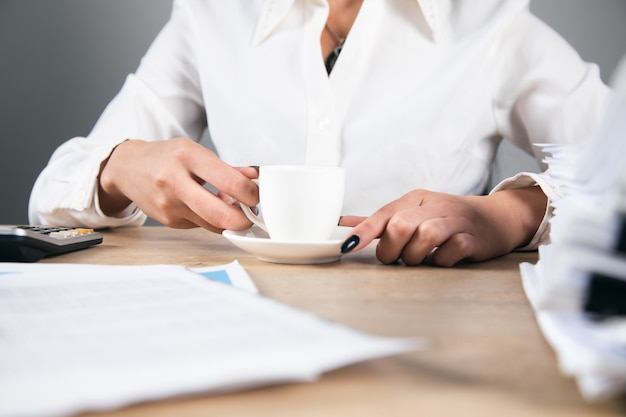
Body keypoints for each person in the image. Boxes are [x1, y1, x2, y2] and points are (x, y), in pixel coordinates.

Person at [29, 0, 611, 266]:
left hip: (432, 353)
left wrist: (509, 214)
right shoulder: (209, 15)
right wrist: (118, 167)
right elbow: (51, 192)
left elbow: (619, 173)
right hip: (238, 334)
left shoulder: (493, 21)